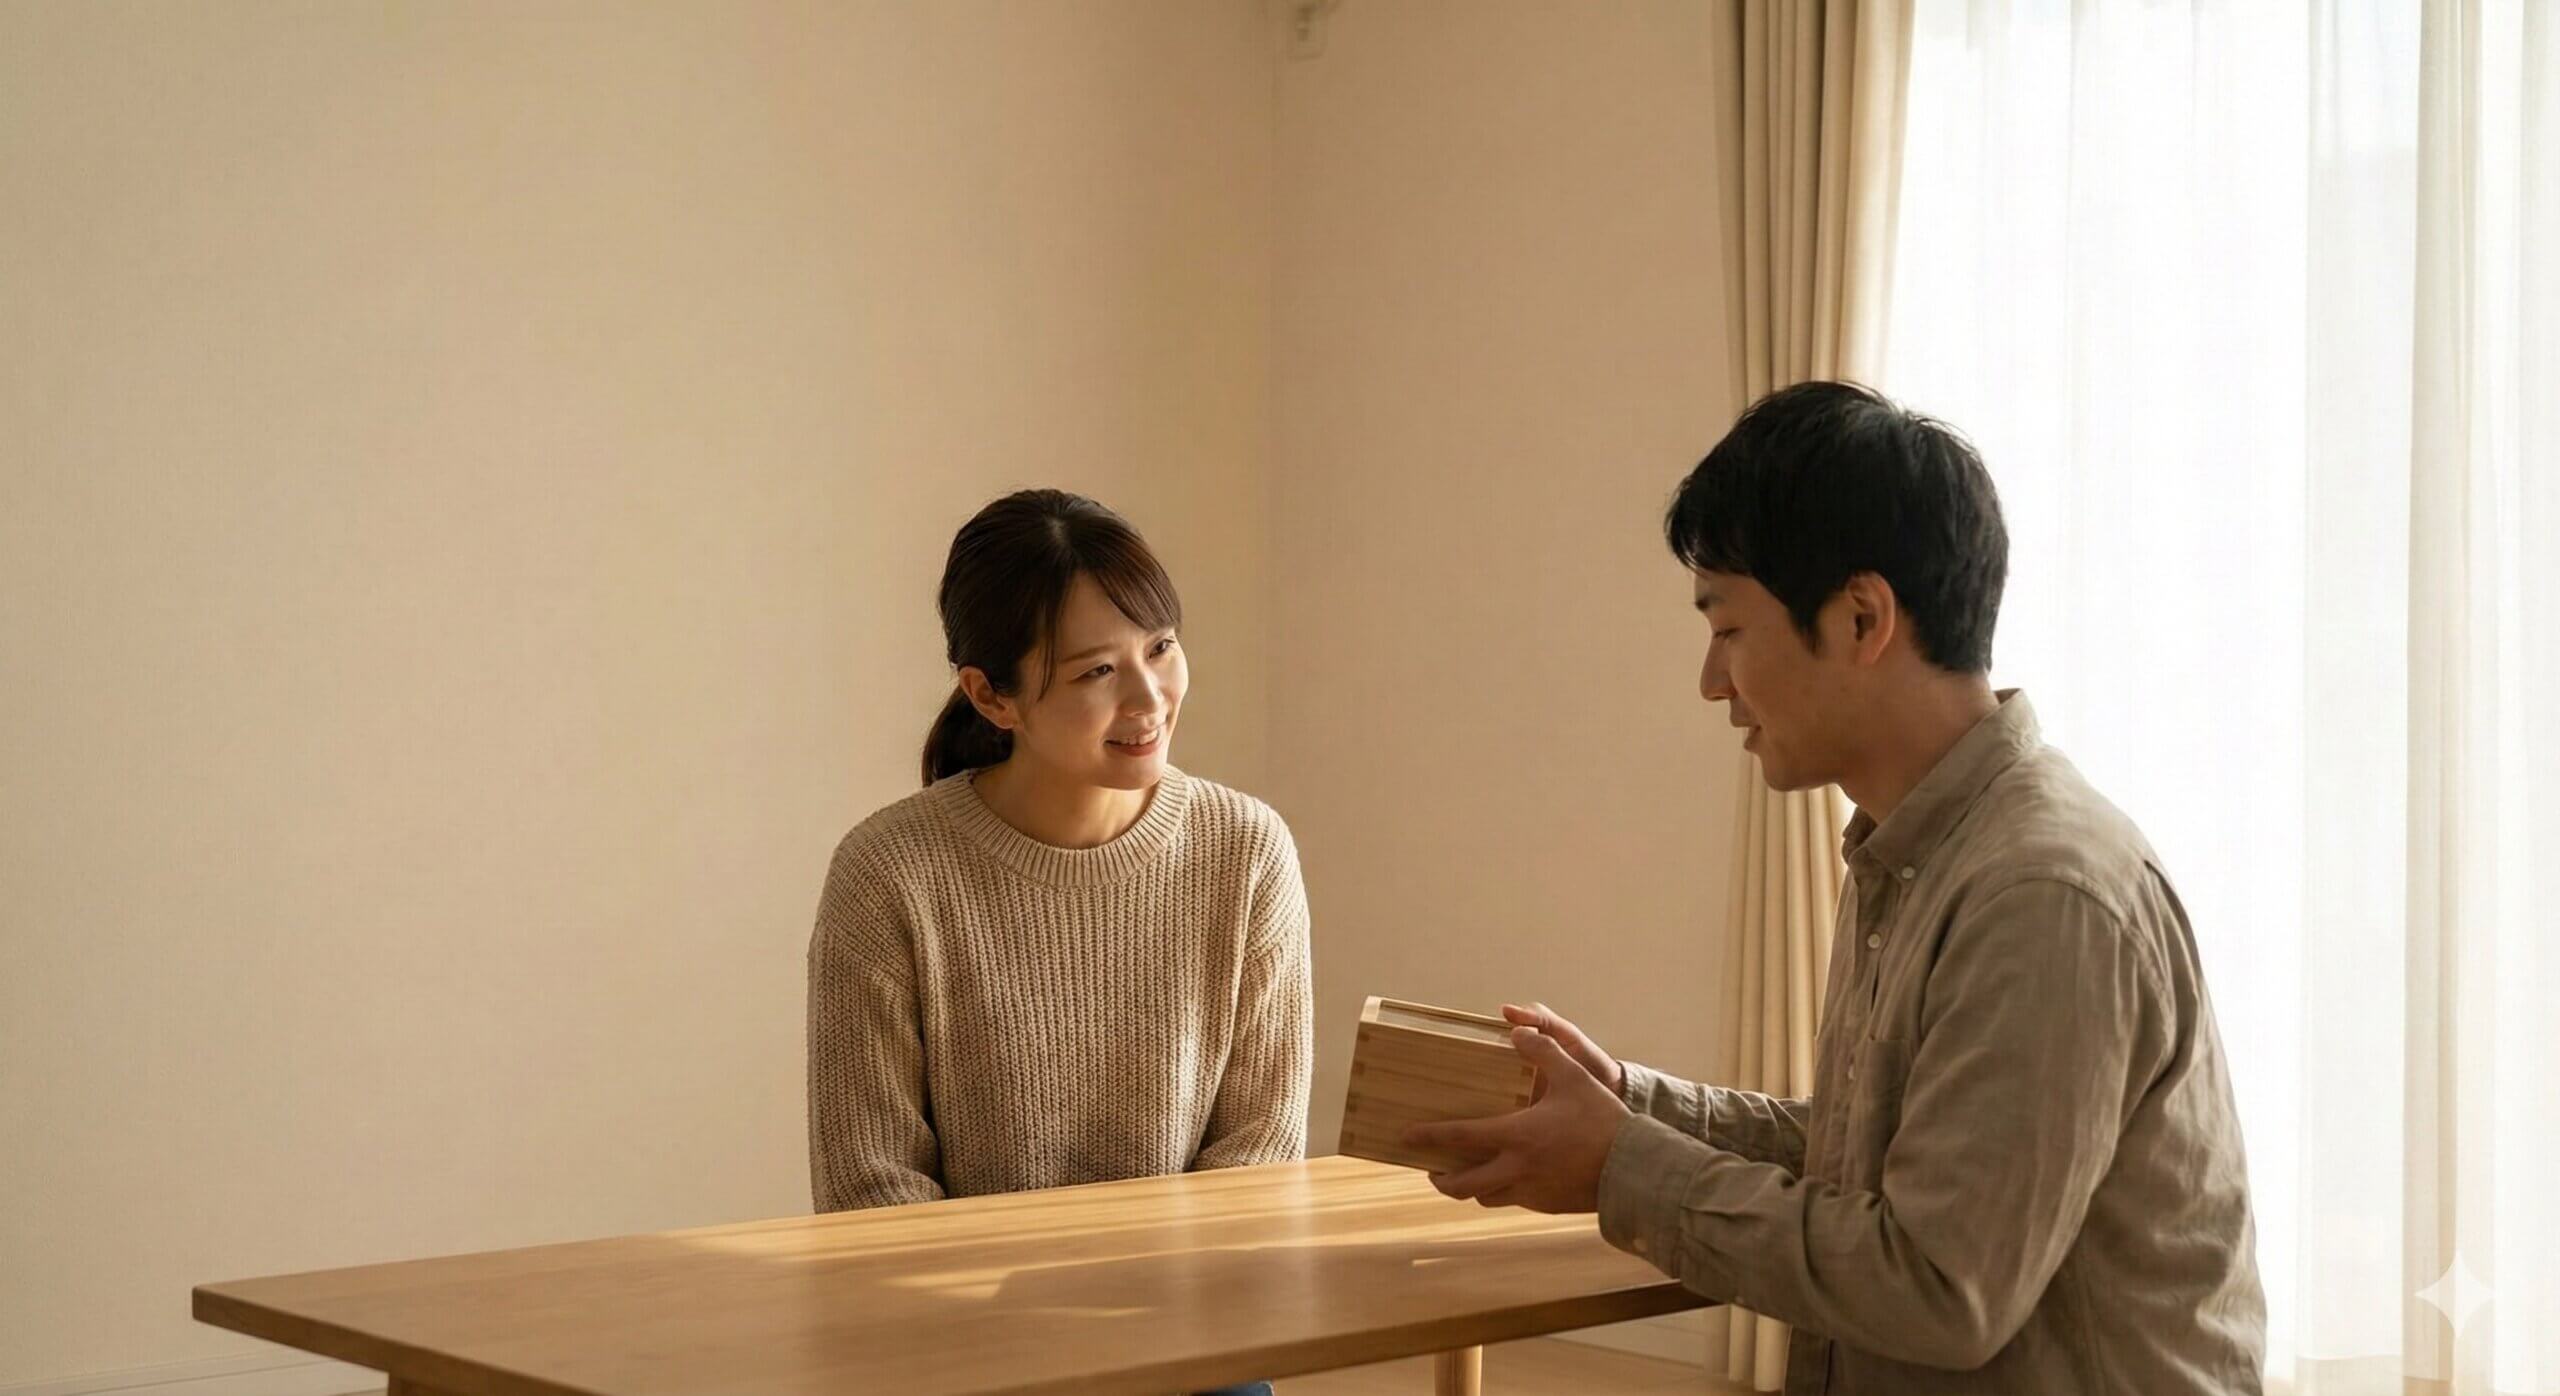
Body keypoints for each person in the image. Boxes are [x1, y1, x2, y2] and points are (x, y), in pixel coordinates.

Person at [1408, 383, 2267, 1393]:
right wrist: (1629, 1104)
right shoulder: (1917, 850)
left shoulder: (2041, 893)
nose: (1710, 683)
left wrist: (1617, 1164)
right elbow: (1880, 1156)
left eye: (1727, 629)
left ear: (1861, 617)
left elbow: (1936, 1285)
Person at [807, 487, 1313, 1221]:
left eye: (1160, 647)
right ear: (991, 698)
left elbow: (1258, 1162)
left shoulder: (1246, 851)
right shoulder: (889, 873)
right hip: (957, 1323)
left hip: (1197, 1317)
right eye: (1095, 672)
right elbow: (872, 1190)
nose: (1149, 699)